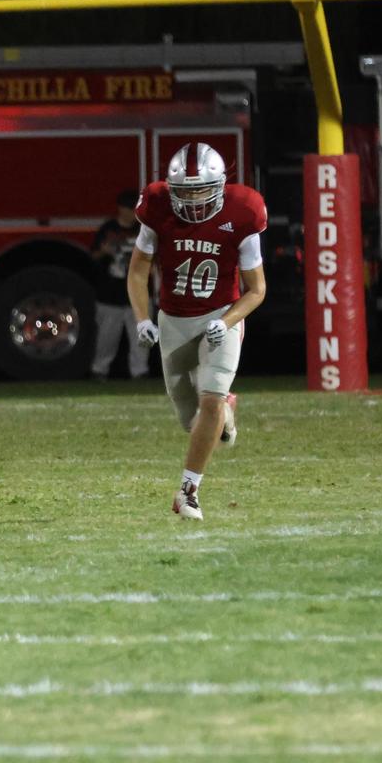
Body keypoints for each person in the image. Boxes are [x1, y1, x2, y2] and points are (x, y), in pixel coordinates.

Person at [126, 144, 268, 520]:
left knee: (209, 402)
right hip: (173, 319)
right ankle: (227, 412)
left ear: (221, 185)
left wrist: (228, 321)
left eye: (201, 190)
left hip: (220, 315)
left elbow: (257, 289)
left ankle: (188, 492)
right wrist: (143, 319)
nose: (193, 201)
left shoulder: (243, 211)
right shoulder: (155, 206)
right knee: (191, 419)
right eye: (185, 192)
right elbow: (138, 271)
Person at [89, 189, 150, 380]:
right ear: (120, 209)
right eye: (127, 209)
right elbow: (93, 256)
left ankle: (140, 372)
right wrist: (104, 251)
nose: (130, 214)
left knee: (141, 338)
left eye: (133, 210)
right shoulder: (108, 229)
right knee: (106, 339)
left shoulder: (143, 230)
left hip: (138, 294)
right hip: (110, 294)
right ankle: (99, 371)